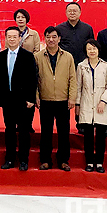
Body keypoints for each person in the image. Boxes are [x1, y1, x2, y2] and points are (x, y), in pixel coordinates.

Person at [35, 26, 77, 171]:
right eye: (48, 37)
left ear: (59, 39)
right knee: (46, 132)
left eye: (54, 37)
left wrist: (72, 97)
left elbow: (72, 78)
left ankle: (63, 160)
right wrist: (36, 96)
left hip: (63, 100)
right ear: (44, 38)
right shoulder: (38, 57)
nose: (51, 39)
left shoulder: (68, 56)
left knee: (63, 132)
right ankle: (45, 160)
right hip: (45, 100)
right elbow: (34, 80)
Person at [0, 27, 38, 171]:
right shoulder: (1, 56)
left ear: (20, 38)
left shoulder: (28, 56)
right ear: (6, 38)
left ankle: (23, 160)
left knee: (24, 131)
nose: (12, 39)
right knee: (9, 130)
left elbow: (33, 78)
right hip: (7, 100)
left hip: (23, 101)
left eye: (15, 36)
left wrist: (31, 99)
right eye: (9, 36)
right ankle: (9, 159)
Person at [76, 39, 107, 173]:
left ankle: (99, 163)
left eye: (94, 48)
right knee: (87, 136)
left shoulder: (106, 66)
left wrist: (103, 101)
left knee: (100, 137)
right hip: (86, 104)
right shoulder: (81, 66)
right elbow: (78, 87)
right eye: (89, 49)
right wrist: (77, 104)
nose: (92, 51)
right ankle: (89, 162)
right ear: (85, 51)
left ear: (98, 50)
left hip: (101, 106)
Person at [56, 2, 94, 67]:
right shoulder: (59, 28)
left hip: (83, 64)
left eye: (75, 11)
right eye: (69, 11)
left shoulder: (87, 28)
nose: (72, 13)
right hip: (64, 63)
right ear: (66, 13)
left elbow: (91, 46)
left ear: (80, 12)